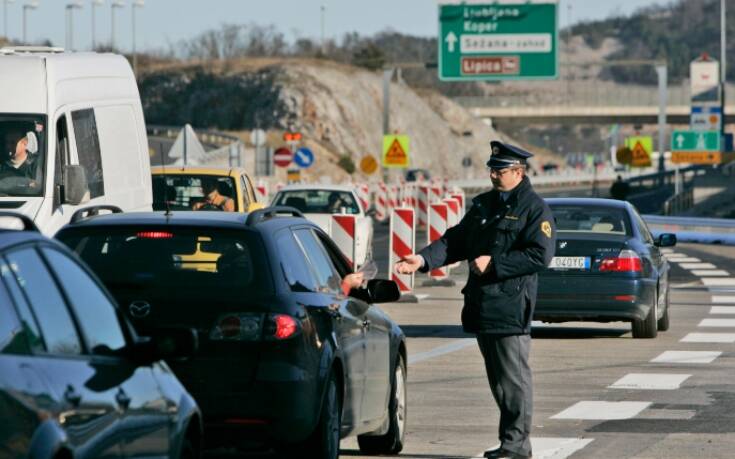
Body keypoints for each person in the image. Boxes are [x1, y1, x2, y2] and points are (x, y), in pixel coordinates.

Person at [395, 141, 556, 459]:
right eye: (492, 170)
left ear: (519, 172)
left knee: (513, 381)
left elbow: (541, 255)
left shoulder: (534, 208)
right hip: (484, 304)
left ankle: (517, 445)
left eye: (501, 170)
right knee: (498, 382)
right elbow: (457, 239)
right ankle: (509, 441)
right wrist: (423, 260)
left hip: (510, 305)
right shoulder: (485, 204)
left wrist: (495, 265)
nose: (494, 175)